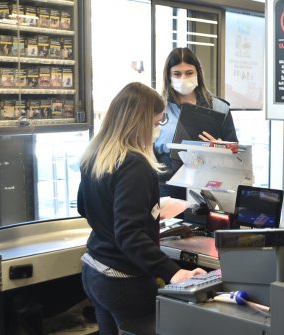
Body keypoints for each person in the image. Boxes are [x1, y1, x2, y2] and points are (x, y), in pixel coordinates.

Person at [77, 82, 206, 334]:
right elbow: (130, 233)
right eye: (156, 123)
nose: (157, 129)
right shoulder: (134, 164)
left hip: (94, 271)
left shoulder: (95, 155)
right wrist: (174, 273)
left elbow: (85, 207)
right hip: (123, 281)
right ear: (139, 121)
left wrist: (151, 210)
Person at [154, 47, 238, 200]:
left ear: (199, 72)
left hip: (207, 186)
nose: (183, 78)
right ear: (168, 75)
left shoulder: (219, 108)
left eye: (189, 73)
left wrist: (221, 147)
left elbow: (236, 152)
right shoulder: (157, 108)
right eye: (177, 74)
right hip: (166, 186)